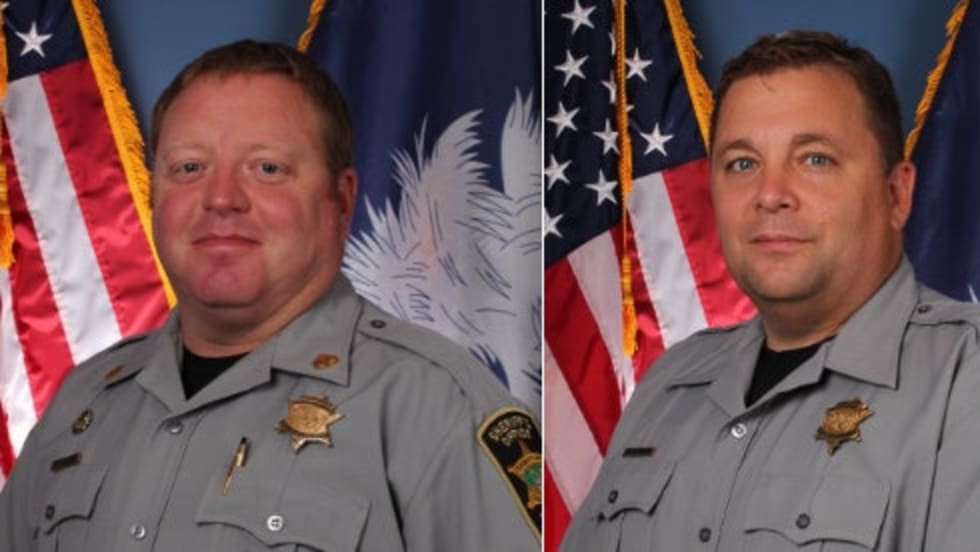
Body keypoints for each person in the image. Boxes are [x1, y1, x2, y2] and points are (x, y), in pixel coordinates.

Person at [0, 40, 541, 551]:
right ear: (155, 192)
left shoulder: (439, 408)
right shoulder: (84, 401)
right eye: (189, 168)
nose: (221, 198)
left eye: (267, 168)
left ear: (340, 199)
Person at [561, 30, 980, 551]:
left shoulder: (964, 381)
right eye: (742, 163)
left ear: (896, 194)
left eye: (815, 159)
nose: (770, 194)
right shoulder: (668, 386)